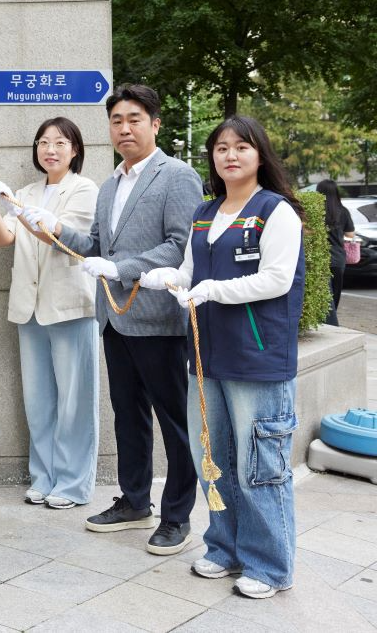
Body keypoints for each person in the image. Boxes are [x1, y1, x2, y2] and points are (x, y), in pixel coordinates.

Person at [29, 85, 204, 555]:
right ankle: (133, 501)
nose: (124, 128)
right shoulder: (110, 184)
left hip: (159, 319)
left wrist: (122, 269)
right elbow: (95, 245)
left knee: (173, 421)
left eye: (134, 119)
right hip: (116, 319)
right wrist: (53, 227)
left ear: (155, 124)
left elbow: (178, 244)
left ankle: (177, 516)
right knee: (128, 415)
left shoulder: (177, 176)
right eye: (116, 121)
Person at [140, 115, 305, 599]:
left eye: (241, 147)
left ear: (260, 155)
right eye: (221, 148)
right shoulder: (205, 214)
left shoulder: (276, 212)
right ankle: (224, 548)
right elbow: (191, 274)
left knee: (260, 464)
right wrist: (169, 280)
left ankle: (270, 566)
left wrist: (215, 289)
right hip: (205, 358)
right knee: (212, 458)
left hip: (257, 359)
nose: (230, 156)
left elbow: (276, 278)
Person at [0, 116, 100, 508]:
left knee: (75, 400)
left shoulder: (85, 190)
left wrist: (20, 208)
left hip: (70, 307)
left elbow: (64, 239)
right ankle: (44, 477)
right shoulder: (26, 191)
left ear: (74, 149)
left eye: (60, 142)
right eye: (44, 142)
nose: (51, 149)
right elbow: (3, 237)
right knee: (39, 400)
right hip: (29, 310)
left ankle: (73, 484)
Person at [317, 179, 355, 326]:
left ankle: (329, 323)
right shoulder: (343, 211)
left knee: (325, 293)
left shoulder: (315, 211)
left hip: (321, 257)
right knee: (335, 294)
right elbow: (350, 234)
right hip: (338, 258)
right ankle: (332, 323)